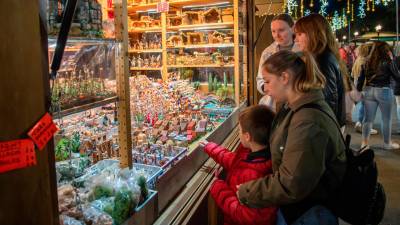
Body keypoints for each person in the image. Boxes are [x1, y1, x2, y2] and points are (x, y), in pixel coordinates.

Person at [237, 50, 347, 225]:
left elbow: (292, 183)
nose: (265, 88)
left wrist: (246, 191)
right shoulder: (294, 108)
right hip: (302, 209)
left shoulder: (308, 121)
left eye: (267, 81)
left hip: (309, 213)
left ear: (285, 77)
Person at [200, 105, 277, 225]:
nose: (238, 132)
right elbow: (235, 162)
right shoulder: (257, 155)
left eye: (239, 130)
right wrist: (210, 147)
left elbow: (247, 217)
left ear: (247, 137)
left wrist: (218, 187)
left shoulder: (254, 175)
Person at [294, 13, 347, 128]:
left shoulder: (323, 59)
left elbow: (328, 100)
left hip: (326, 125)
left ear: (313, 34)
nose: (296, 39)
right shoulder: (322, 56)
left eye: (299, 34)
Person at [357, 41, 400, 149]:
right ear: (385, 51)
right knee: (386, 119)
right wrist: (392, 60)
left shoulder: (367, 61)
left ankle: (364, 143)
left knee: (368, 119)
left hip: (369, 90)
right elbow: (397, 76)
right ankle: (387, 143)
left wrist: (359, 91)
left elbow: (360, 79)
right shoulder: (388, 62)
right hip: (384, 90)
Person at [256, 14, 298, 110]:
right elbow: (260, 80)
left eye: (281, 30)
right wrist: (266, 87)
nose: (277, 35)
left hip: (295, 104)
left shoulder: (303, 50)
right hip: (272, 106)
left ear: (292, 29)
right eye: (273, 31)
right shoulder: (267, 52)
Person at [352, 43, 378, 134]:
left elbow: (353, 75)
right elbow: (364, 77)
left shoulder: (357, 60)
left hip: (358, 86)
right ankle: (365, 126)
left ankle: (359, 123)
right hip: (364, 87)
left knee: (363, 106)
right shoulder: (364, 62)